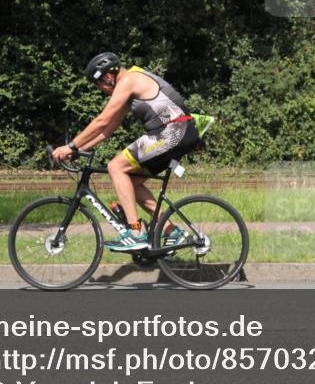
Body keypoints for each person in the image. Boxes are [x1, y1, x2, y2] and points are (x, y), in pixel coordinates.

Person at [51, 52, 206, 251]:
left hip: (173, 131)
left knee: (116, 166)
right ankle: (171, 231)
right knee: (132, 183)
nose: (102, 91)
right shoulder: (129, 84)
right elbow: (108, 129)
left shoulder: (129, 80)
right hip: (178, 132)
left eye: (99, 86)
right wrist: (79, 149)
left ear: (107, 77)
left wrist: (70, 146)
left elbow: (102, 120)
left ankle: (136, 232)